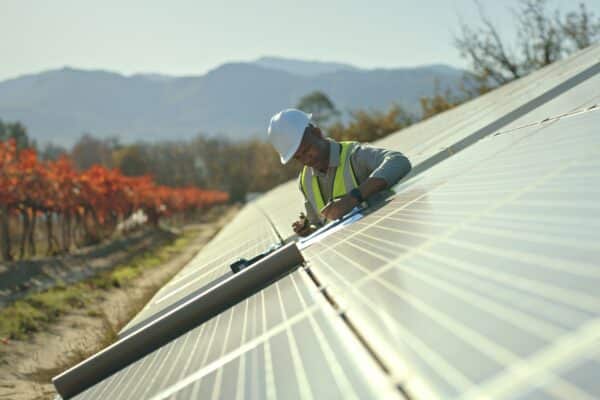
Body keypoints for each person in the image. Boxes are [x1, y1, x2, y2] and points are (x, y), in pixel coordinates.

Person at [268, 108, 412, 237]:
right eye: (298, 157)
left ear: (318, 134)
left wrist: (353, 198)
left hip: (387, 235)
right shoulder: (305, 181)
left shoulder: (354, 156)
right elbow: (317, 224)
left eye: (307, 150)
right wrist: (308, 230)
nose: (306, 159)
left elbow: (399, 161)